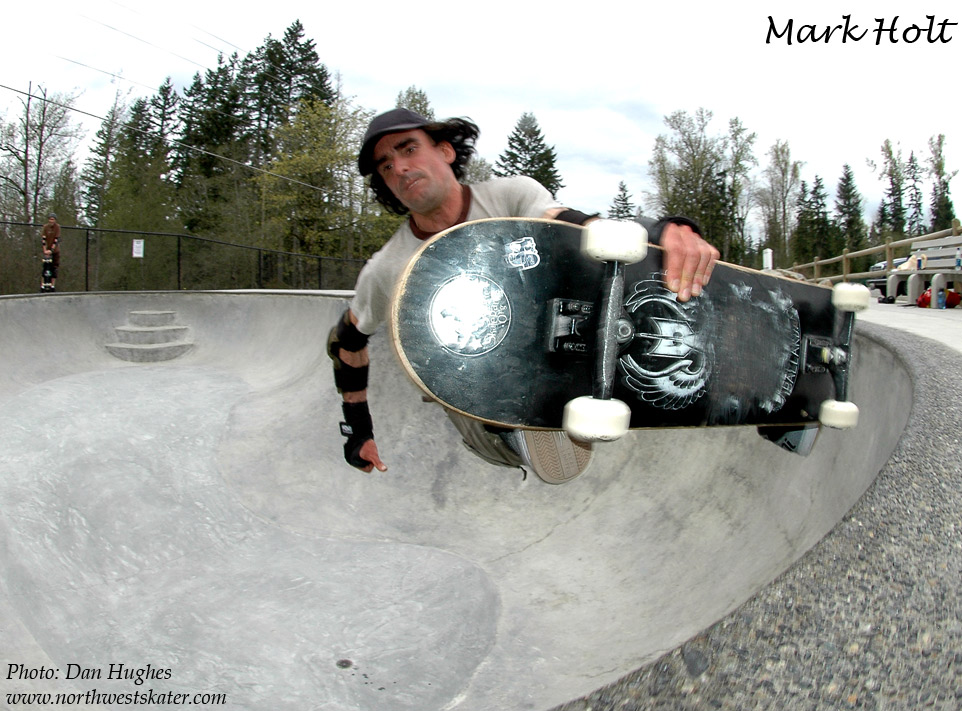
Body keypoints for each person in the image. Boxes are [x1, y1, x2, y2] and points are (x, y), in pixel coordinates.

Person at [328, 109, 719, 483]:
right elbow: (346, 342)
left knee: (566, 263)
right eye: (385, 166)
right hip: (475, 396)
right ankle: (515, 425)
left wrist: (659, 233)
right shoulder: (387, 268)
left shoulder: (510, 198)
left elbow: (573, 225)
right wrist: (357, 430)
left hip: (544, 339)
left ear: (445, 150)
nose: (399, 168)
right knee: (465, 356)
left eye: (409, 149)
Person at [40, 213, 61, 291]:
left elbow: (56, 240)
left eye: (53, 219)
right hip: (46, 250)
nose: (51, 221)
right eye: (50, 219)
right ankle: (42, 285)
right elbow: (43, 239)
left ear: (55, 220)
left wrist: (51, 250)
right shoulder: (45, 227)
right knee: (45, 268)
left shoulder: (57, 227)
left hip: (55, 251)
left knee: (54, 268)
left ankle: (52, 286)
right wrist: (45, 250)